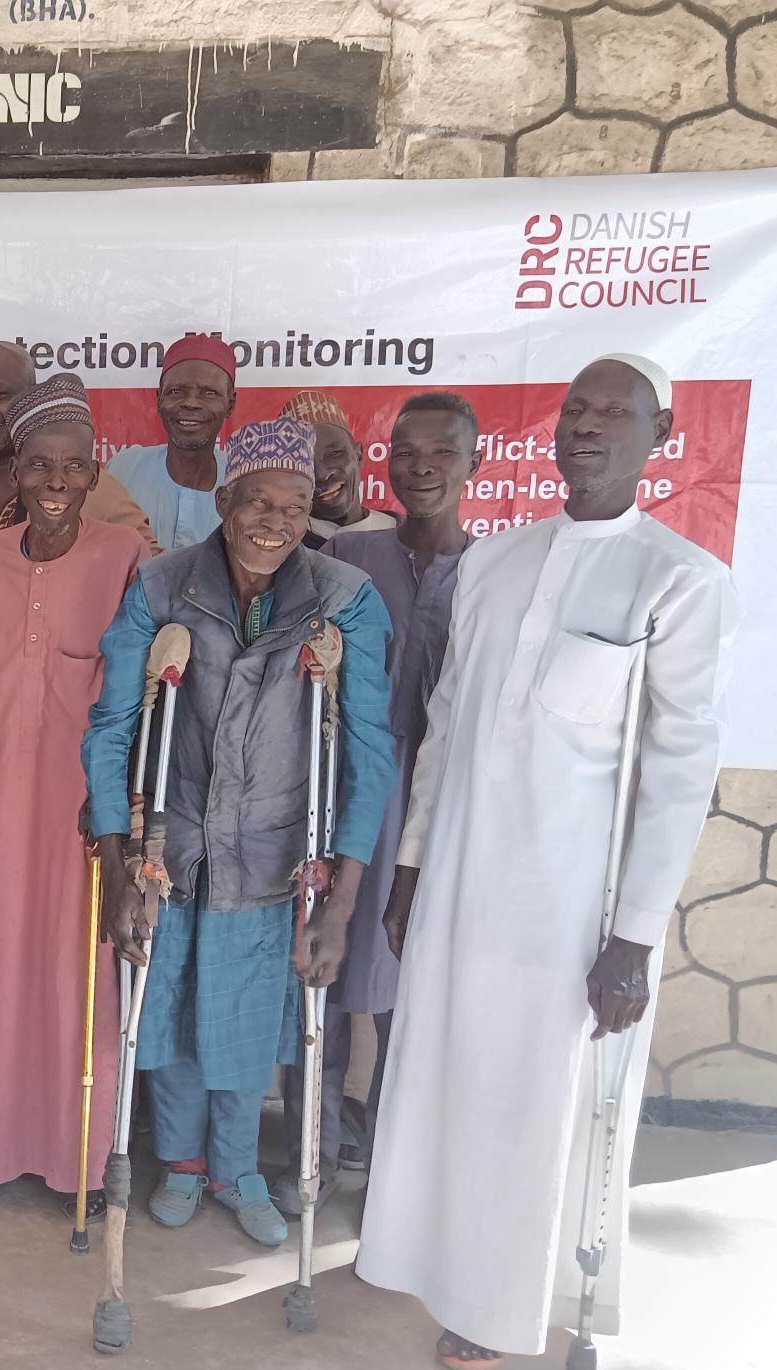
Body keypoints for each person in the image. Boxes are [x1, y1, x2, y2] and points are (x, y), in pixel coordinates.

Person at [356, 355, 740, 1370]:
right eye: (575, 408)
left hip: (566, 908)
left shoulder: (679, 582)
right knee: (441, 1081)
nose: (588, 425)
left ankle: (503, 1303)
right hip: (457, 890)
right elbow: (444, 726)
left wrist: (634, 937)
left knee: (531, 1103)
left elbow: (675, 768)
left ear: (658, 436)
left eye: (616, 414)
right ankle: (422, 1260)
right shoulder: (494, 563)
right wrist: (409, 868)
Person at [83, 416, 396, 1248]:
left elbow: (371, 751)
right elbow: (111, 728)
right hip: (172, 851)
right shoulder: (160, 586)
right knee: (173, 1010)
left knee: (248, 1022)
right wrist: (116, 868)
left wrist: (343, 903)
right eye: (257, 500)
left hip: (275, 856)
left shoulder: (342, 599)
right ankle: (182, 1162)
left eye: (293, 506)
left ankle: (238, 1167)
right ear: (224, 500)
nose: (273, 521)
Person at [0, 341, 153, 1132]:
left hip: (80, 820)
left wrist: (129, 821)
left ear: (92, 470)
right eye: (38, 464)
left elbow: (138, 704)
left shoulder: (125, 557)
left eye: (71, 467)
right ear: (20, 463)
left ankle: (73, 1159)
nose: (53, 482)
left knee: (76, 981)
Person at [280, 391, 482, 1213]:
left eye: (441, 453)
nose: (422, 467)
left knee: (411, 988)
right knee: (316, 972)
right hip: (334, 789)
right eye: (407, 452)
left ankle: (399, 1171)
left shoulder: (493, 571)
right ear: (385, 460)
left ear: (474, 462)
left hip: (440, 806)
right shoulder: (347, 554)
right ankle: (310, 1157)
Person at [105, 332, 238, 551]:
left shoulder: (242, 481)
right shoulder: (123, 469)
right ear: (159, 400)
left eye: (209, 393)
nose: (191, 404)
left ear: (230, 404)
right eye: (176, 391)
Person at [279, 389, 399, 548]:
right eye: (303, 462)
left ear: (358, 455)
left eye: (334, 454)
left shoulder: (404, 536)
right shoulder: (284, 549)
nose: (321, 474)